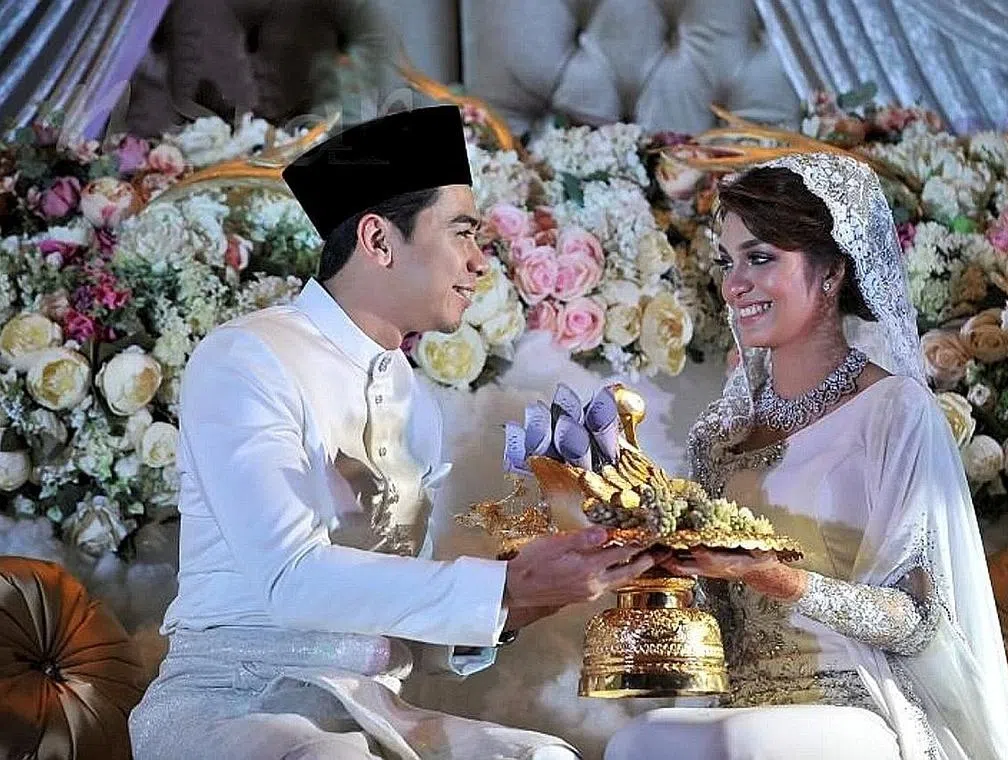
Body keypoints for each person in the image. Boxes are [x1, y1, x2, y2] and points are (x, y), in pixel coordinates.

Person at [128, 105, 655, 760]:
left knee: (543, 757)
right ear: (379, 241)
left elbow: (397, 610)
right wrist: (501, 588)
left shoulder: (413, 399)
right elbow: (292, 577)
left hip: (372, 705)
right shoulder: (248, 357)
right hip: (237, 698)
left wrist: (524, 599)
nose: (480, 263)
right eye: (462, 234)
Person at [604, 153, 1008, 760]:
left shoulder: (894, 411)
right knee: (637, 741)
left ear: (831, 272)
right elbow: (717, 619)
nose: (734, 284)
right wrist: (651, 563)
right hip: (742, 701)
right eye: (727, 262)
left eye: (759, 258)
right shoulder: (720, 434)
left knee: (739, 742)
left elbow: (919, 620)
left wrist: (775, 577)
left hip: (859, 700)